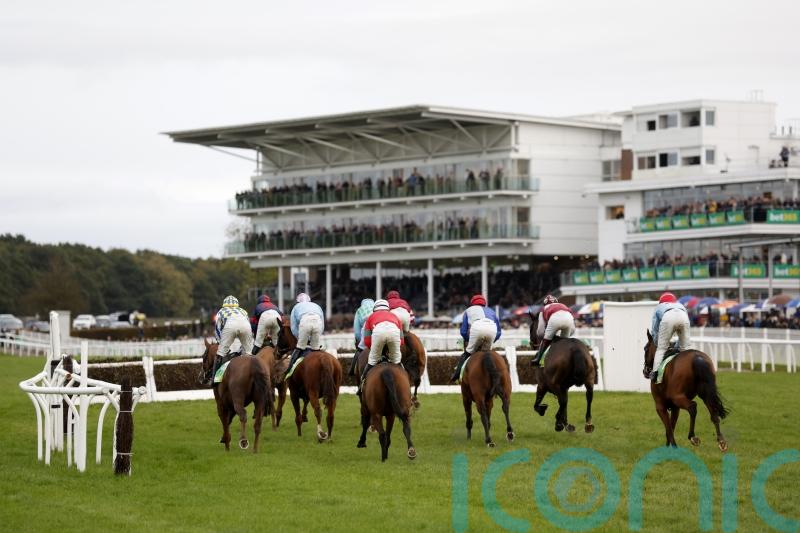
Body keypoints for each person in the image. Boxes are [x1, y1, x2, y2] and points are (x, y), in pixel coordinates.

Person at [450, 294, 501, 382]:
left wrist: (470, 340)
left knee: (467, 353)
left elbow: (463, 331)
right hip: (492, 329)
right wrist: (492, 340)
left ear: (472, 303)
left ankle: (456, 375)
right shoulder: (492, 311)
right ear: (484, 303)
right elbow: (499, 332)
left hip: (477, 328)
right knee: (487, 355)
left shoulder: (468, 311)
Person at [359, 299, 403, 394]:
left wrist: (375, 349)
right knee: (397, 361)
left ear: (374, 309)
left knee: (372, 361)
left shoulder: (370, 317)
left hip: (378, 334)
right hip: (394, 333)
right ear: (388, 308)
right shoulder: (395, 316)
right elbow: (401, 341)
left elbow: (367, 341)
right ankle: (406, 385)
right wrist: (391, 349)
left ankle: (362, 384)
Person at [210, 295, 253, 384]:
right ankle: (252, 377)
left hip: (230, 325)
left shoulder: (221, 311)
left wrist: (220, 343)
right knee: (249, 353)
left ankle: (214, 379)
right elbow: (249, 326)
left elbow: (217, 330)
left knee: (220, 353)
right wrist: (244, 347)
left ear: (224, 304)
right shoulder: (243, 311)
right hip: (246, 326)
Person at [649, 292, 690, 381]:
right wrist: (678, 347)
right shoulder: (680, 305)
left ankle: (655, 373)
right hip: (684, 317)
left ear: (661, 302)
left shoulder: (659, 307)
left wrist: (657, 343)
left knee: (661, 348)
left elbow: (655, 329)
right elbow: (685, 332)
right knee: (685, 349)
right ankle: (688, 371)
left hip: (668, 317)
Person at [286, 293, 325, 376]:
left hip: (305, 322)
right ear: (309, 300)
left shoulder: (296, 307)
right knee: (315, 349)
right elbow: (322, 326)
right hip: (318, 323)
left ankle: (288, 371)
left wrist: (300, 338)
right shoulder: (317, 306)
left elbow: (293, 328)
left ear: (298, 302)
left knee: (300, 347)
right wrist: (312, 339)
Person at [531, 295, 575, 367]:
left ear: (545, 304)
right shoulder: (563, 305)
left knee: (546, 339)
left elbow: (540, 331)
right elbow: (573, 330)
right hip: (569, 320)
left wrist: (549, 337)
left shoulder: (543, 308)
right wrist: (559, 337)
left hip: (554, 320)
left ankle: (538, 359)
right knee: (563, 343)